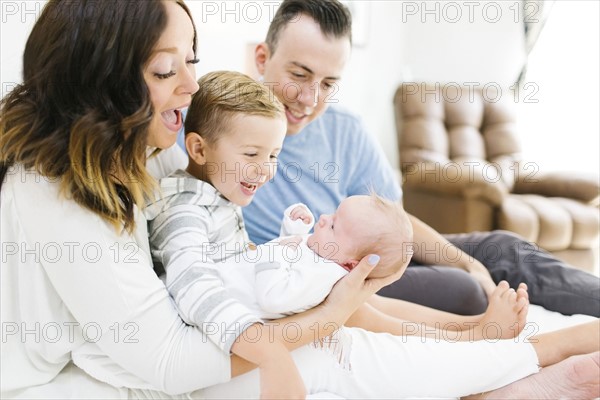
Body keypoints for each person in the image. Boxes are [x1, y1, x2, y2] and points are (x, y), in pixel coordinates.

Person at [1, 1, 599, 399]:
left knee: (494, 253)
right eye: (164, 71)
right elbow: (179, 321)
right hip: (281, 282)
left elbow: (389, 217)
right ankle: (510, 361)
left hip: (307, 267)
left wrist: (455, 259)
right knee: (370, 327)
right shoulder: (141, 164)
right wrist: (319, 315)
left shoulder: (152, 146)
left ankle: (509, 350)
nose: (189, 84)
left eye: (191, 62)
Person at [237, 0, 600, 318]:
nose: (310, 98)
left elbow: (395, 220)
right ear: (262, 58)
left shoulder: (343, 129)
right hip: (330, 275)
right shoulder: (218, 128)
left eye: (328, 84)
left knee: (505, 250)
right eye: (299, 75)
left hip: (376, 250)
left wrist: (467, 261)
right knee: (464, 288)